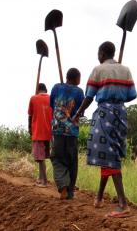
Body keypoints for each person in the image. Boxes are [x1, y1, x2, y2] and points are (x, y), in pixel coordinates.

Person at [73, 41, 137, 218]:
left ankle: (123, 205)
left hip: (105, 114)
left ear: (102, 53)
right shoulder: (126, 70)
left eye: (98, 53)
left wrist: (78, 113)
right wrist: (117, 94)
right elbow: (132, 95)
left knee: (110, 156)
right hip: (121, 113)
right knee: (108, 154)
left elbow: (89, 96)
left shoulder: (98, 69)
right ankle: (99, 197)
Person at [50, 68, 84, 200]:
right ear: (76, 78)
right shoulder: (79, 92)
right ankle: (70, 192)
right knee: (72, 161)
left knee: (57, 159)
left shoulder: (56, 88)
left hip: (57, 129)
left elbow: (52, 105)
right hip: (72, 132)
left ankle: (63, 186)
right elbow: (81, 111)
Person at [28, 83, 53, 188]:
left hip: (38, 132)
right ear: (46, 90)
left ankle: (44, 182)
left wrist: (30, 129)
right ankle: (40, 178)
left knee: (40, 157)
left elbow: (30, 115)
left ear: (37, 90)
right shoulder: (52, 98)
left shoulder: (33, 98)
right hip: (50, 132)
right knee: (47, 156)